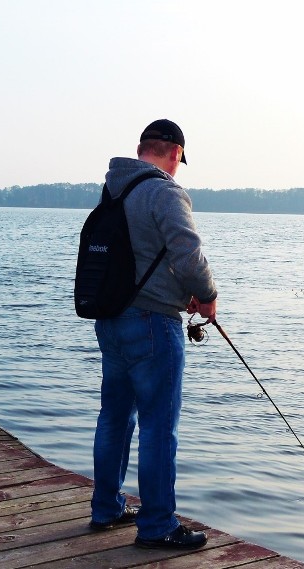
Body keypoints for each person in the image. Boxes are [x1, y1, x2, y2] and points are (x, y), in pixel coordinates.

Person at [88, 119, 218, 550]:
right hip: (152, 325)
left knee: (114, 416)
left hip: (111, 319)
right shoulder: (164, 190)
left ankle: (106, 507)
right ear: (176, 153)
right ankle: (158, 524)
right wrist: (206, 295)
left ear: (142, 147)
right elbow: (186, 249)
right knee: (159, 426)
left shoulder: (115, 189)